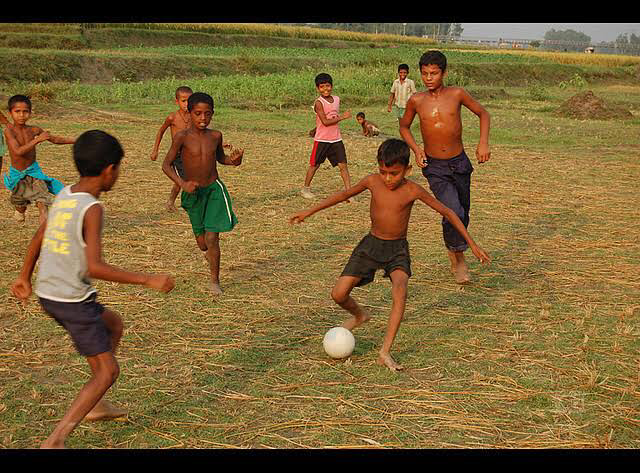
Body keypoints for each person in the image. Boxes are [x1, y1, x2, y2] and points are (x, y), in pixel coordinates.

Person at [10, 130, 175, 449]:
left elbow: (39, 236)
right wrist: (148, 279)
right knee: (108, 371)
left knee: (113, 324)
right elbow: (93, 267)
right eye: (119, 169)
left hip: (50, 291)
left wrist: (24, 276)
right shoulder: (92, 208)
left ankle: (97, 403)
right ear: (109, 170)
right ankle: (56, 440)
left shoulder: (66, 194)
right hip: (71, 298)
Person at [290, 139, 490, 371]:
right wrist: (309, 211)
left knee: (400, 290)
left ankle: (385, 352)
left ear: (407, 170)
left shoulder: (413, 189)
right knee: (338, 294)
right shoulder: (372, 182)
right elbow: (342, 195)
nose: (387, 178)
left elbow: (448, 211)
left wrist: (471, 244)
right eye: (383, 171)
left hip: (397, 250)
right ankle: (360, 316)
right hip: (371, 245)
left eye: (393, 173)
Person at [399, 50, 491, 284]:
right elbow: (404, 128)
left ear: (444, 73)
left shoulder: (457, 94)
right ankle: (458, 259)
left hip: (459, 162)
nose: (429, 78)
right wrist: (417, 150)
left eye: (434, 73)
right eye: (425, 74)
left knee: (463, 212)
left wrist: (482, 143)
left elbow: (483, 114)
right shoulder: (416, 100)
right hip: (435, 166)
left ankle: (454, 247)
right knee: (453, 211)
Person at [162, 92, 243, 296]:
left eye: (207, 114)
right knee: (202, 242)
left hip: (213, 190)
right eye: (198, 113)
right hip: (193, 193)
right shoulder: (181, 137)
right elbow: (166, 165)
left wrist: (234, 161)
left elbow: (220, 159)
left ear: (213, 114)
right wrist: (182, 183)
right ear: (189, 114)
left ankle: (214, 281)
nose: (203, 118)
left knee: (212, 237)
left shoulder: (215, 136)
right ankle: (208, 255)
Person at [2, 95, 75, 224]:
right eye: (17, 111)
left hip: (34, 173)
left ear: (30, 113)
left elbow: (55, 139)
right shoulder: (9, 131)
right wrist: (37, 140)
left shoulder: (34, 129)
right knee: (20, 203)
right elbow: (18, 151)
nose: (21, 115)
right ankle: (20, 209)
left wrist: (76, 140)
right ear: (10, 113)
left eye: (25, 111)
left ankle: (44, 236)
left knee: (42, 202)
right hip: (18, 175)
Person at [301, 73, 352, 200]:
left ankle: (349, 193)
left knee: (343, 166)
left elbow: (330, 117)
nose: (325, 89)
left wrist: (315, 128)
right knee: (315, 165)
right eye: (322, 87)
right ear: (317, 88)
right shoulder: (319, 103)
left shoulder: (337, 99)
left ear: (332, 86)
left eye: (328, 86)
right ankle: (305, 189)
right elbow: (325, 121)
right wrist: (343, 117)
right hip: (322, 140)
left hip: (336, 139)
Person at [150, 86, 193, 212]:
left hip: (189, 153)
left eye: (189, 101)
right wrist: (155, 150)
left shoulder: (193, 116)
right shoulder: (172, 117)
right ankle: (189, 204)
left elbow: (203, 131)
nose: (186, 104)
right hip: (176, 154)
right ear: (177, 101)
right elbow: (160, 132)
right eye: (183, 101)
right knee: (184, 179)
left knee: (180, 180)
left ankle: (170, 203)